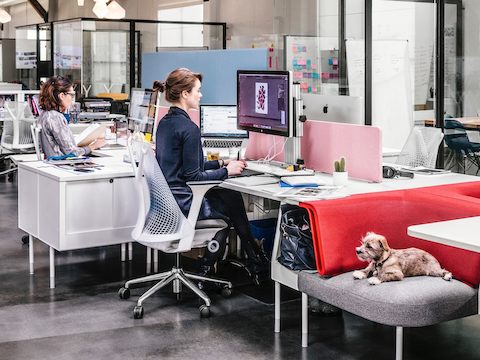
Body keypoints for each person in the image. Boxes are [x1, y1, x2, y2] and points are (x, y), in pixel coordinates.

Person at [154, 68, 268, 282]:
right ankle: (208, 269)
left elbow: (185, 167)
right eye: (198, 90)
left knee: (231, 197)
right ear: (184, 94)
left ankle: (254, 258)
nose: (201, 95)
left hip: (170, 200)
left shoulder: (166, 123)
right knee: (226, 216)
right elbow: (193, 177)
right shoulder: (189, 128)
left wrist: (221, 162)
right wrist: (227, 171)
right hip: (184, 203)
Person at [37, 75, 105, 158]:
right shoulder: (55, 117)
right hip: (61, 163)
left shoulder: (45, 114)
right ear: (62, 96)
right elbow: (70, 152)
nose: (72, 99)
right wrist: (94, 146)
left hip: (54, 162)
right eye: (71, 95)